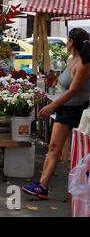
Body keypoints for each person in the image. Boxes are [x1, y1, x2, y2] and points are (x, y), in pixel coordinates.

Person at [23, 28, 90, 200]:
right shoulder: (72, 60)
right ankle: (43, 186)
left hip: (76, 110)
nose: (65, 43)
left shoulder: (84, 63)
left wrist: (52, 106)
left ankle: (48, 186)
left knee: (64, 149)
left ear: (72, 42)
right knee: (56, 149)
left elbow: (74, 90)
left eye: (67, 40)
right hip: (65, 108)